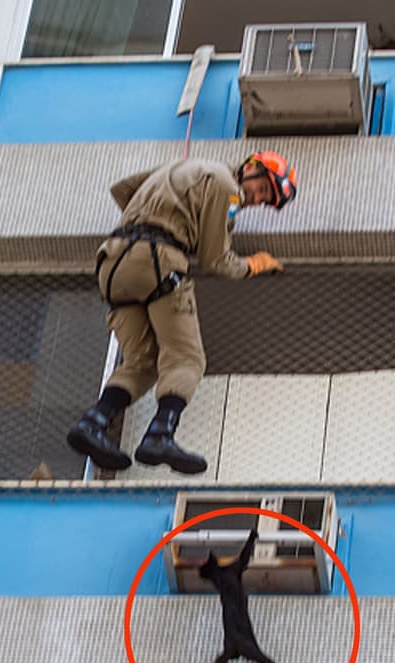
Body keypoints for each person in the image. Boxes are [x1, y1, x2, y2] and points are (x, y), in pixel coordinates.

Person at [66, 150, 297, 475]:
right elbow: (216, 259)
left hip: (112, 266)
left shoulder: (179, 169)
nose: (255, 200)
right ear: (251, 167)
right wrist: (255, 265)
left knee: (142, 364)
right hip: (157, 263)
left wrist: (149, 218)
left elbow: (122, 188)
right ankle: (160, 434)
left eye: (263, 199)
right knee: (187, 359)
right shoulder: (226, 186)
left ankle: (94, 422)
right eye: (261, 190)